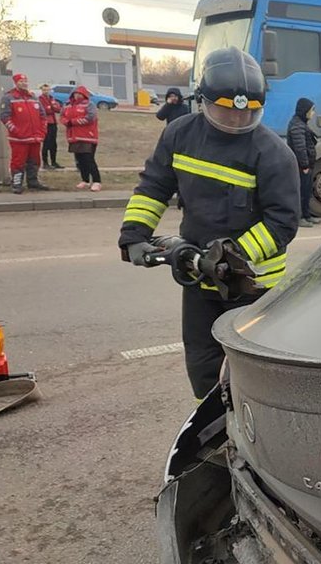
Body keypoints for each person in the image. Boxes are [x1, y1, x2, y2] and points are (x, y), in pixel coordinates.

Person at [118, 47, 300, 398]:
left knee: (251, 374)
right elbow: (155, 186)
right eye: (226, 112)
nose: (236, 121)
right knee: (203, 365)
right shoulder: (180, 136)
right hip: (199, 279)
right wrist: (134, 235)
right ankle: (214, 439)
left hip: (253, 285)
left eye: (247, 114)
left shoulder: (274, 154)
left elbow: (282, 222)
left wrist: (231, 255)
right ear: (201, 100)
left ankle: (253, 436)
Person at [0, 73, 48, 194]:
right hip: (19, 139)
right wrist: (16, 131)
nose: (24, 83)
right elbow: (4, 117)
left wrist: (42, 131)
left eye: (25, 81)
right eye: (21, 81)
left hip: (35, 137)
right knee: (18, 161)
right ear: (16, 83)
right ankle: (16, 183)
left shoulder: (33, 97)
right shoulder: (9, 97)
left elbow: (42, 116)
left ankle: (33, 182)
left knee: (35, 160)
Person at [287, 97, 319, 228]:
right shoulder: (297, 125)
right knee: (300, 192)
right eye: (312, 110)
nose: (313, 113)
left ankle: (307, 215)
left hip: (306, 165)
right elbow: (300, 148)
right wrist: (305, 165)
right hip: (301, 166)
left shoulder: (301, 123)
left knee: (306, 191)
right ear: (305, 111)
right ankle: (299, 217)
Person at [62, 86, 102, 191]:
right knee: (79, 161)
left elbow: (90, 118)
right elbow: (63, 117)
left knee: (89, 160)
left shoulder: (89, 105)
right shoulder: (67, 106)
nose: (77, 96)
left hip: (88, 137)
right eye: (75, 94)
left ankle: (97, 181)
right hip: (74, 137)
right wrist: (66, 122)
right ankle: (85, 180)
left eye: (80, 94)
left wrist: (74, 122)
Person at [38, 83, 64, 170]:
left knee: (53, 144)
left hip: (53, 122)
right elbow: (44, 110)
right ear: (42, 90)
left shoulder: (52, 98)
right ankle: (45, 163)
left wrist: (52, 107)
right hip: (46, 123)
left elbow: (58, 109)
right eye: (44, 90)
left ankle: (54, 161)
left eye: (47, 90)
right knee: (46, 143)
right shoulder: (40, 99)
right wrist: (52, 107)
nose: (46, 92)